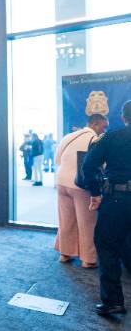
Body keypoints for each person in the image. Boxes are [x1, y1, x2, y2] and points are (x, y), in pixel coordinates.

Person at [82, 100, 131, 316]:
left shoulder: (111, 137)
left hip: (117, 199)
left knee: (107, 245)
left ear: (123, 118)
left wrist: (95, 193)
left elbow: (88, 165)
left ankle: (113, 301)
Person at [54, 114, 108, 268]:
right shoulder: (95, 140)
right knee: (87, 223)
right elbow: (101, 166)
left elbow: (57, 159)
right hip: (81, 185)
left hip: (61, 182)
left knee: (65, 221)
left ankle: (65, 254)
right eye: (104, 126)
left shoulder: (69, 136)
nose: (104, 130)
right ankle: (88, 259)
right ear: (95, 124)